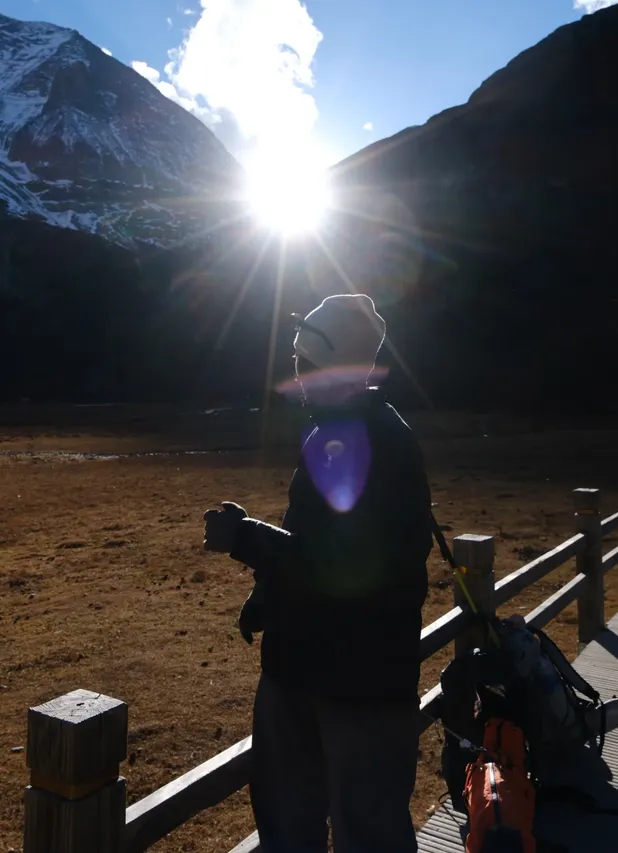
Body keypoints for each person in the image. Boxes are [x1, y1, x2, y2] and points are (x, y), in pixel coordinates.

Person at [203, 293, 432, 853]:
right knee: (288, 822)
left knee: (367, 829)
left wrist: (249, 539)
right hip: (303, 669)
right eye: (297, 362)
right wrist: (268, 594)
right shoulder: (332, 431)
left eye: (309, 363)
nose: (298, 375)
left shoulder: (383, 443)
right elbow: (313, 547)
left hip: (361, 684)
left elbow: (351, 568)